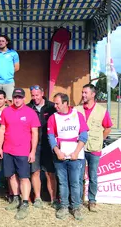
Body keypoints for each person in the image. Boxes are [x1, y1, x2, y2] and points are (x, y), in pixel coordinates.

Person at [0, 88, 40, 220]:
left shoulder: (31, 113)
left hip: (23, 151)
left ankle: (25, 202)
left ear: (24, 99)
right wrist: (0, 148)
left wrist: (32, 151)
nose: (17, 99)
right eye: (15, 97)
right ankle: (15, 198)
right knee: (11, 176)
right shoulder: (6, 111)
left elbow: (35, 133)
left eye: (20, 97)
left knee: (24, 177)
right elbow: (2, 129)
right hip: (8, 150)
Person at [47, 93, 88, 221]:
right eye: (54, 103)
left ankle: (76, 207)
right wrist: (57, 151)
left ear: (65, 103)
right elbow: (51, 137)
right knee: (63, 182)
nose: (55, 106)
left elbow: (83, 135)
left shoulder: (77, 115)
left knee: (75, 182)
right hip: (60, 156)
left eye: (58, 103)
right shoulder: (53, 118)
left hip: (76, 157)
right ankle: (64, 206)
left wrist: (76, 152)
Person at [76, 84, 112, 212]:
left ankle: (92, 201)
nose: (83, 95)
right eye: (82, 92)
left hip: (94, 148)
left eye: (85, 93)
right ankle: (78, 200)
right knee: (79, 176)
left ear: (93, 94)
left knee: (92, 176)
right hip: (79, 148)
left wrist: (100, 139)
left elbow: (108, 127)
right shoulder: (77, 109)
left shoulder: (102, 110)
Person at [27, 85, 58, 208]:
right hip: (33, 145)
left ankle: (53, 199)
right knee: (35, 172)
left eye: (37, 95)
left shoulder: (51, 107)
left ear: (42, 93)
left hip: (48, 145)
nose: (35, 98)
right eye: (33, 95)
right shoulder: (28, 107)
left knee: (50, 173)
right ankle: (38, 198)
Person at [0, 35, 20, 105]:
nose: (1, 43)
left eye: (3, 41)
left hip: (9, 82)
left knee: (9, 102)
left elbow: (17, 67)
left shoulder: (13, 53)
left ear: (6, 42)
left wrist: (8, 73)